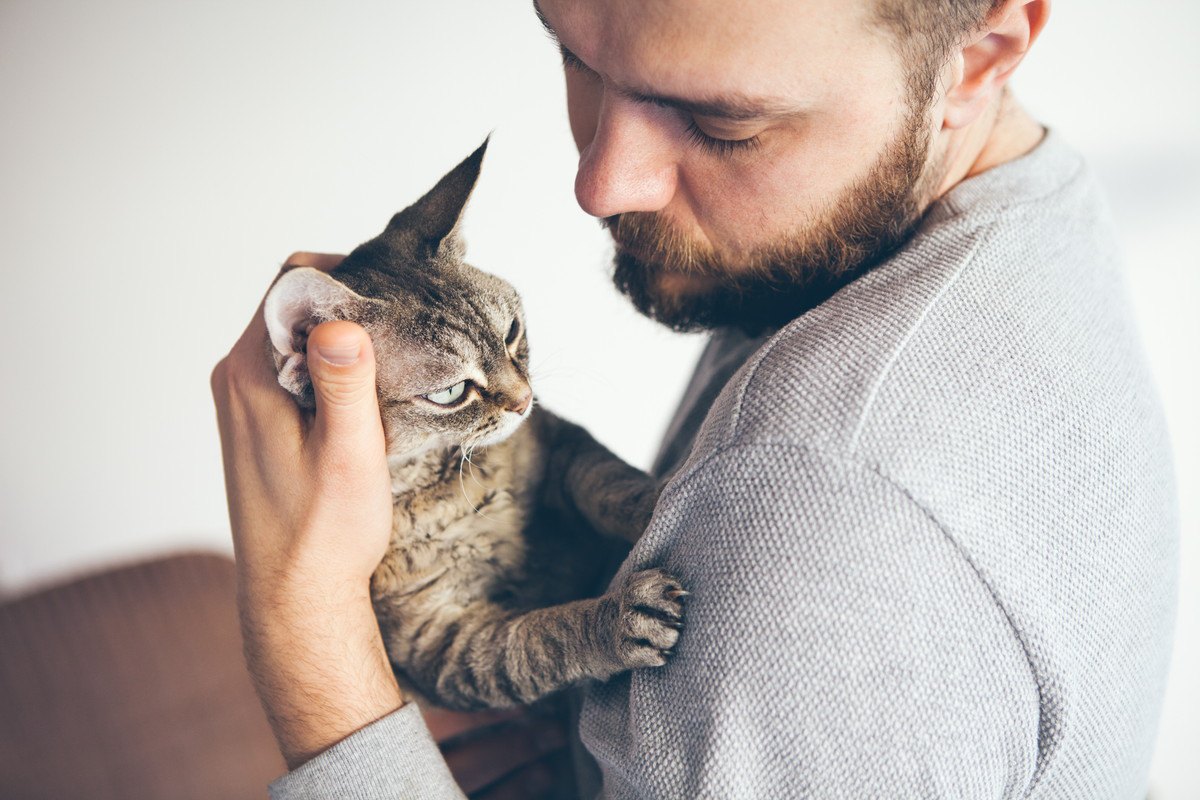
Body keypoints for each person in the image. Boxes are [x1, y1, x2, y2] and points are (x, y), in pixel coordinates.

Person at [210, 0, 1180, 797]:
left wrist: (303, 621)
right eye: (576, 57)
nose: (601, 182)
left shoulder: (828, 515)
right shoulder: (1017, 212)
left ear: (981, 60)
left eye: (725, 123)